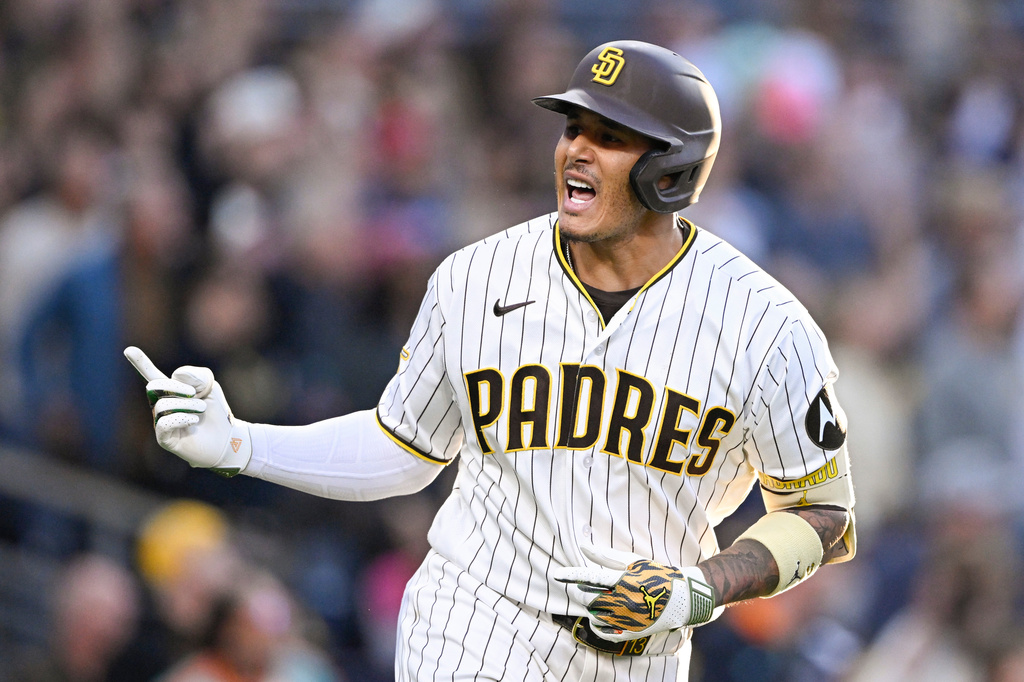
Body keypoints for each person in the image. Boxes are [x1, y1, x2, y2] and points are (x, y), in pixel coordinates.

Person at [126, 40, 857, 681]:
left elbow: (823, 514)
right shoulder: (476, 278)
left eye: (609, 137)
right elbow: (403, 446)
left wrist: (700, 590)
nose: (576, 150)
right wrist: (243, 444)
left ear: (671, 169)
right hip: (472, 625)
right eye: (572, 127)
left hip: (639, 658)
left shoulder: (765, 327)